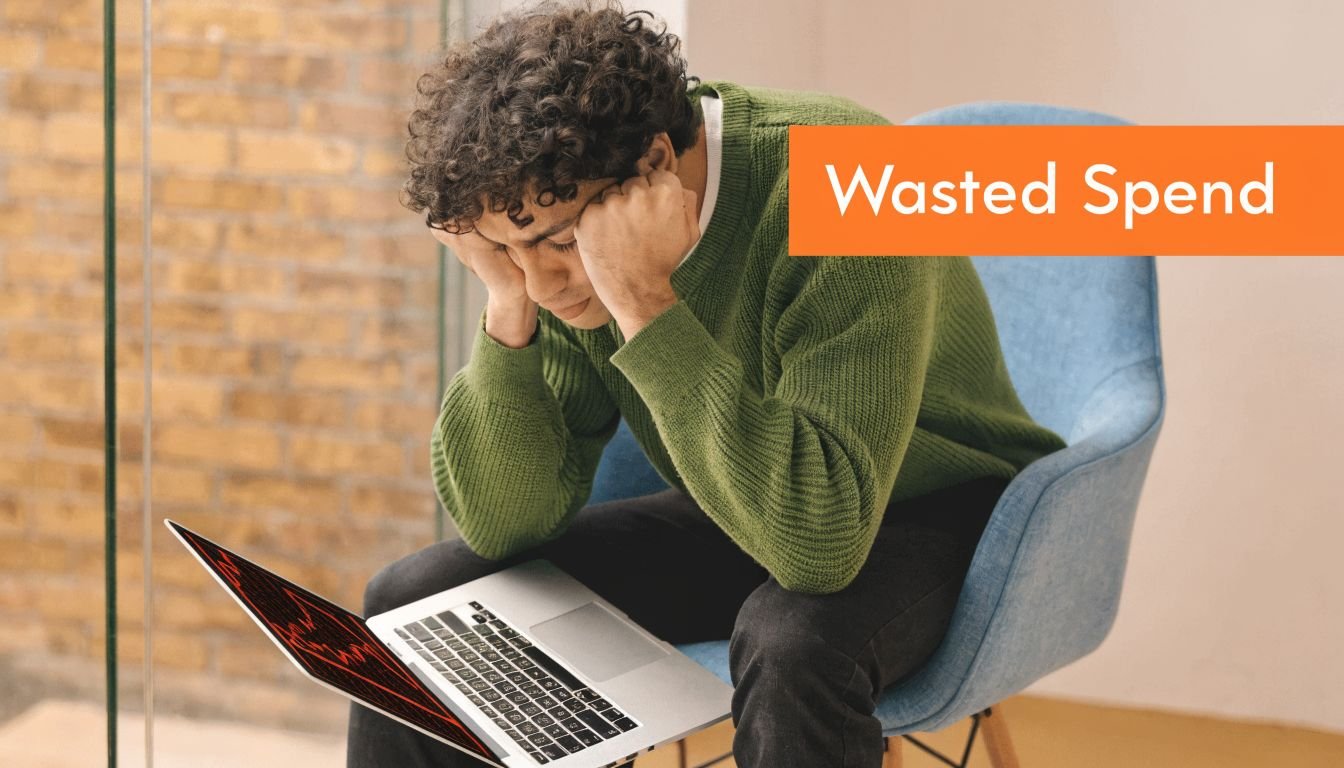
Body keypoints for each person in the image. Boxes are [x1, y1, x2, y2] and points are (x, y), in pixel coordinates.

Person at [347, 1, 1068, 766]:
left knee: (794, 641)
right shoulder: (547, 245)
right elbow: (503, 524)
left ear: (655, 164)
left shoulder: (846, 176)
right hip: (746, 500)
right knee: (418, 598)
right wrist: (507, 307)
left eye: (556, 243)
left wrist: (645, 302)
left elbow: (819, 544)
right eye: (506, 250)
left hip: (936, 506)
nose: (545, 281)